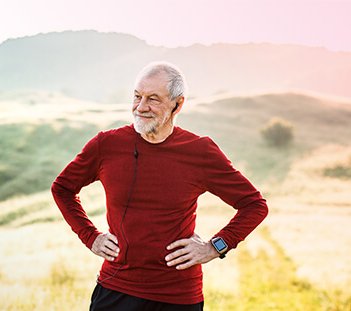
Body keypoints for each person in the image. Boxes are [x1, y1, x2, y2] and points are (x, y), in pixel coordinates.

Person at [51, 61, 268, 310]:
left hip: (178, 296)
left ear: (178, 104)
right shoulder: (106, 145)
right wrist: (91, 237)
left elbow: (254, 205)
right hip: (116, 288)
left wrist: (215, 247)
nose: (141, 107)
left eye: (153, 99)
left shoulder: (200, 151)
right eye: (137, 96)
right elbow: (63, 188)